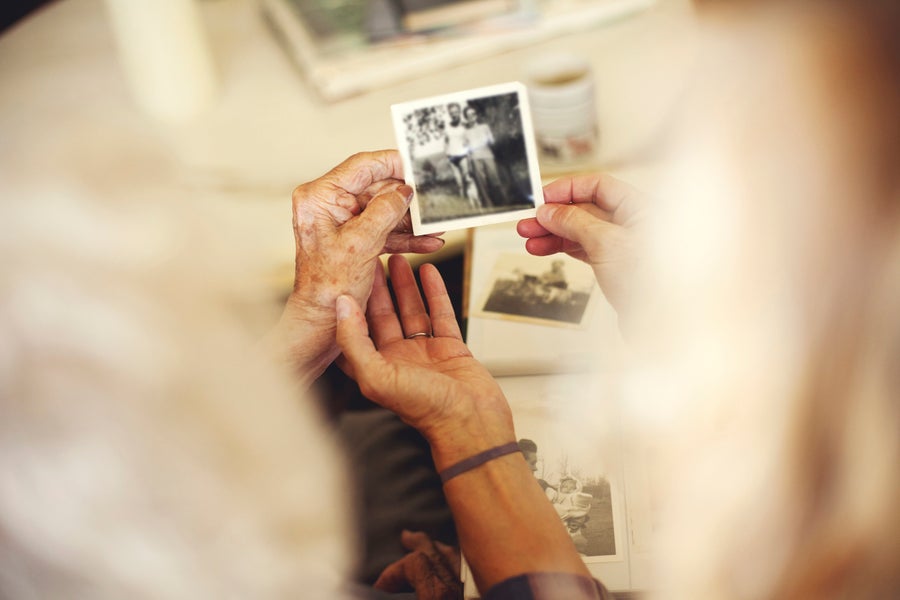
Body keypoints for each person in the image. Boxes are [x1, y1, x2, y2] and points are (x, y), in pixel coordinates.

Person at [463, 105, 506, 209]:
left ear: (476, 115)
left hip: (488, 156)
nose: (471, 117)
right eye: (468, 115)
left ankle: (503, 204)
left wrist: (488, 138)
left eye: (473, 114)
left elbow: (492, 141)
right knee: (482, 184)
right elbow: (467, 150)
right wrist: (468, 166)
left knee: (495, 180)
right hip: (475, 159)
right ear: (466, 118)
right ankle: (489, 205)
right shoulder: (466, 133)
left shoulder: (484, 127)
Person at [443, 102, 472, 201]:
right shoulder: (447, 127)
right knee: (458, 181)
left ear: (459, 112)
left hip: (463, 155)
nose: (454, 114)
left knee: (466, 178)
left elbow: (469, 140)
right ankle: (464, 202)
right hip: (452, 156)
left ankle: (472, 199)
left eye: (455, 112)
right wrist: (447, 154)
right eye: (451, 113)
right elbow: (446, 141)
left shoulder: (465, 125)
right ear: (449, 114)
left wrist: (468, 151)